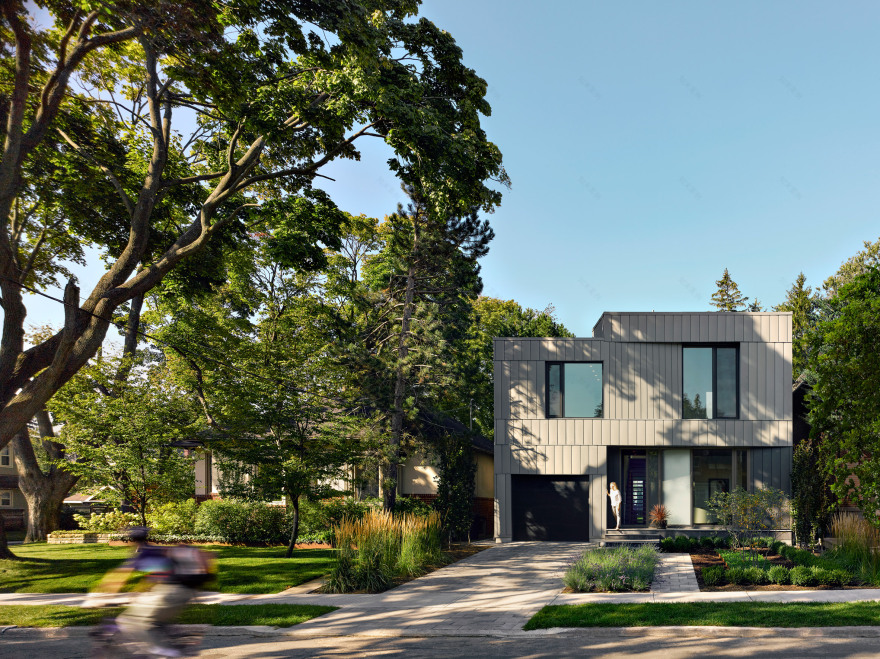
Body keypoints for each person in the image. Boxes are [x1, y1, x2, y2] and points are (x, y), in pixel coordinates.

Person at [94, 527, 214, 658]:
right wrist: (137, 592)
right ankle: (170, 643)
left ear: (132, 540)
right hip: (184, 591)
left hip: (171, 592)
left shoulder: (142, 553)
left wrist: (102, 595)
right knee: (155, 618)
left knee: (129, 620)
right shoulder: (155, 550)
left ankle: (164, 651)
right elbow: (154, 575)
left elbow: (119, 577)